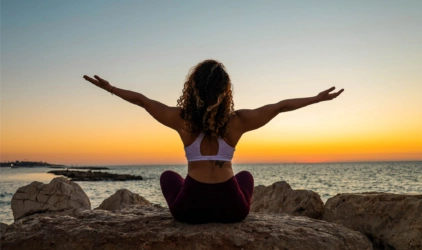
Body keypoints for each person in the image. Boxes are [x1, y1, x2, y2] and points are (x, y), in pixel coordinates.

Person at [83, 59, 344, 224]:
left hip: (188, 210)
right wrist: (316, 98)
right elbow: (280, 107)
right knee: (246, 177)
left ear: (192, 89)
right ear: (225, 91)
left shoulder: (182, 120)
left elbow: (142, 101)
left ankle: (191, 188)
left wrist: (110, 88)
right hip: (232, 210)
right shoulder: (238, 121)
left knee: (168, 177)